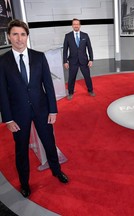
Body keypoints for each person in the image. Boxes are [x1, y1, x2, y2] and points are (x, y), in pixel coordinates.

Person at [0, 19, 69, 198]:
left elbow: (48, 85)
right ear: (9, 37)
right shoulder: (3, 61)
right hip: (18, 114)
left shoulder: (39, 57)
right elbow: (2, 93)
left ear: (27, 37)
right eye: (15, 34)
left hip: (42, 110)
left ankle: (56, 170)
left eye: (23, 34)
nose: (19, 38)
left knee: (49, 143)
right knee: (21, 149)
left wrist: (53, 110)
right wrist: (7, 119)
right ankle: (24, 183)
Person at [63, 18, 95, 100]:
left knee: (87, 76)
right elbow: (65, 50)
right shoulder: (68, 36)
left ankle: (90, 90)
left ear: (80, 25)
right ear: (72, 25)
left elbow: (89, 48)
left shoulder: (85, 35)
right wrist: (65, 61)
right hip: (73, 61)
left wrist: (91, 59)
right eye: (74, 24)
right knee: (71, 77)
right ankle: (70, 92)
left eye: (77, 24)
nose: (76, 26)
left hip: (84, 60)